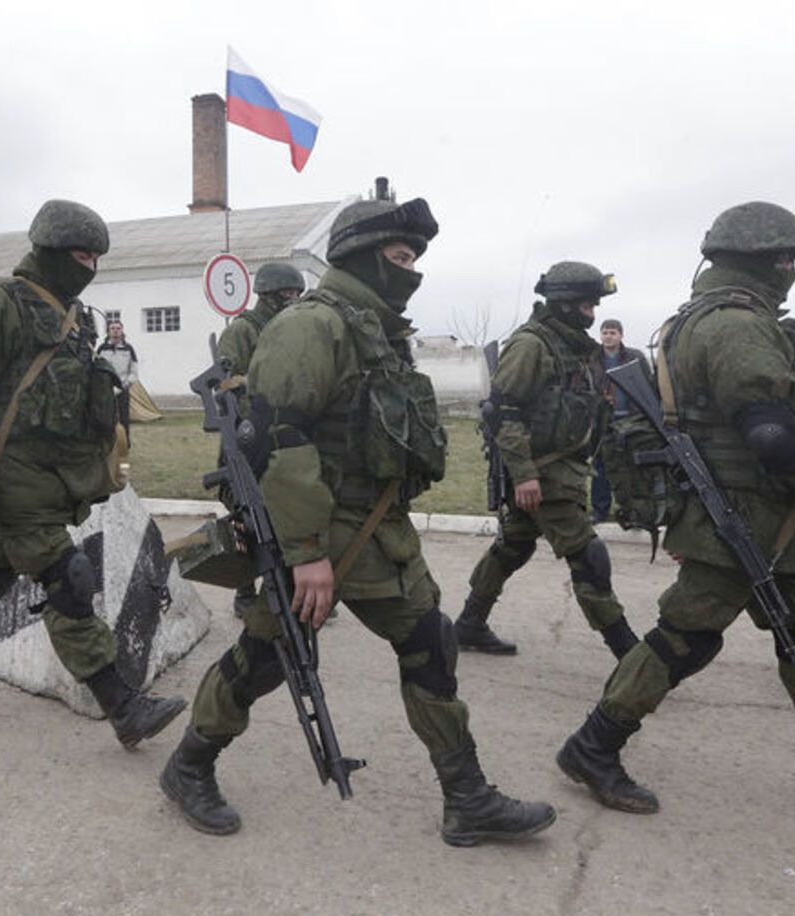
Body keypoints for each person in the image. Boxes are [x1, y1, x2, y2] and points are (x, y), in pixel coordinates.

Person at [160, 195, 556, 847]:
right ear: (363, 258)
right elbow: (280, 441)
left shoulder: (375, 330)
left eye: (413, 258)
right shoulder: (310, 326)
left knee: (431, 642)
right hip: (320, 533)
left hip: (380, 532)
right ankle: (189, 765)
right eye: (399, 257)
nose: (410, 270)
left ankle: (468, 798)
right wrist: (308, 549)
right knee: (266, 657)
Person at [555, 201, 795, 815]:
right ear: (753, 262)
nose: (790, 270)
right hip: (736, 517)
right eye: (782, 259)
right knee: (686, 638)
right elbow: (776, 432)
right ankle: (593, 745)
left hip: (761, 518)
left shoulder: (709, 316)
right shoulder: (735, 323)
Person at [0, 199, 186, 750]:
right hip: (8, 483)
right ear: (50, 250)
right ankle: (122, 705)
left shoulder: (73, 317)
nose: (90, 266)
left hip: (49, 483)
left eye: (97, 258)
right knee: (67, 580)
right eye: (82, 255)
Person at [453, 263, 640, 659]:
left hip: (563, 470)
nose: (591, 315)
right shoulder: (532, 345)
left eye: (594, 307)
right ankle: (630, 653)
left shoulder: (573, 347)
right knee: (588, 556)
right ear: (564, 304)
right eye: (586, 306)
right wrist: (523, 476)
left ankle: (469, 623)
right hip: (541, 474)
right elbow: (503, 411)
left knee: (513, 548)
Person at [215, 260, 306, 618]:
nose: (294, 299)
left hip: (282, 434)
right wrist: (253, 389)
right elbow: (221, 381)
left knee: (284, 510)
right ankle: (244, 590)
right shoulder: (243, 329)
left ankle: (285, 586)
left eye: (298, 293)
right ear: (268, 294)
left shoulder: (292, 330)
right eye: (288, 293)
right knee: (244, 511)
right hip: (247, 435)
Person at [590, 320, 652, 523]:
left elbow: (647, 385)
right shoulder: (593, 359)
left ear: (621, 335)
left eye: (613, 332)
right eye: (605, 332)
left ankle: (635, 511)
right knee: (601, 466)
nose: (608, 336)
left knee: (632, 466)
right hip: (602, 421)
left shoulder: (635, 357)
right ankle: (600, 510)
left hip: (631, 419)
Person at [96, 319, 139, 437]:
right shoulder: (101, 349)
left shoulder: (129, 349)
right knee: (105, 418)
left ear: (122, 331)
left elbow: (134, 373)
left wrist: (123, 386)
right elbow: (96, 368)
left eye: (118, 328)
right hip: (105, 390)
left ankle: (125, 445)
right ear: (108, 331)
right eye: (112, 328)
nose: (115, 331)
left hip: (122, 389)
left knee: (124, 418)